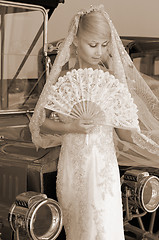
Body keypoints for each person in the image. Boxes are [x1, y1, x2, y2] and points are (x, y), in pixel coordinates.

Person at [29, 5, 159, 240]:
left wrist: (145, 137)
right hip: (72, 168)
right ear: (76, 41)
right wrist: (71, 128)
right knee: (79, 230)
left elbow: (124, 134)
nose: (99, 52)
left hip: (104, 170)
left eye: (104, 44)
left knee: (106, 228)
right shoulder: (61, 79)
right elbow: (41, 123)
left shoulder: (111, 79)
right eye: (93, 45)